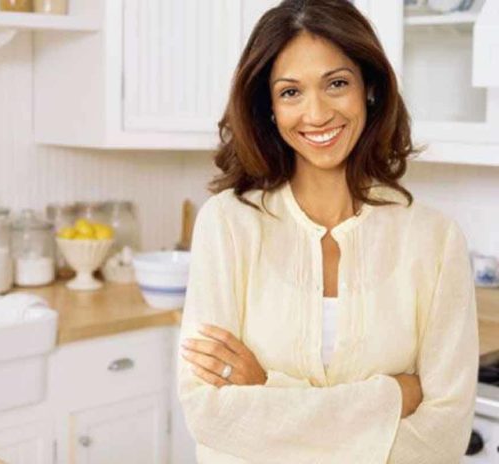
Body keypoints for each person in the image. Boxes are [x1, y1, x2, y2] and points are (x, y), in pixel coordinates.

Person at [177, 1, 479, 463]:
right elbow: (210, 414)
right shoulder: (227, 224)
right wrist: (392, 397)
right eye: (291, 92)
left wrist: (263, 390)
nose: (316, 113)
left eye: (336, 84)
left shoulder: (435, 240)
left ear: (370, 90)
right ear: (269, 108)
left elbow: (443, 438)